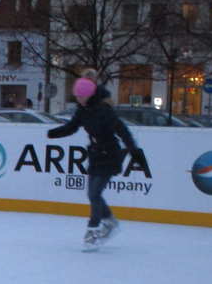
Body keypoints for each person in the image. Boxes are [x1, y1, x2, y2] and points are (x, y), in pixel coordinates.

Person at [46, 78, 141, 251]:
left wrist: (132, 149)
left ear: (88, 95)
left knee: (95, 193)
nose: (78, 99)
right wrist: (53, 133)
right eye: (77, 96)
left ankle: (93, 230)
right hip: (96, 155)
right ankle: (110, 222)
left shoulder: (104, 111)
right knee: (92, 193)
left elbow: (122, 130)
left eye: (80, 96)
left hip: (111, 155)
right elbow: (72, 127)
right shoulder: (82, 110)